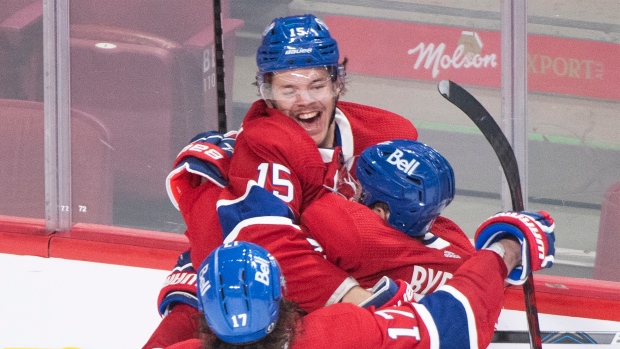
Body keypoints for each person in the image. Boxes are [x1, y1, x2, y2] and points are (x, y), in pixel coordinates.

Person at [165, 213, 555, 349]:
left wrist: (182, 300)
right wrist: (504, 250)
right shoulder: (338, 332)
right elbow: (453, 325)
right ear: (282, 297)